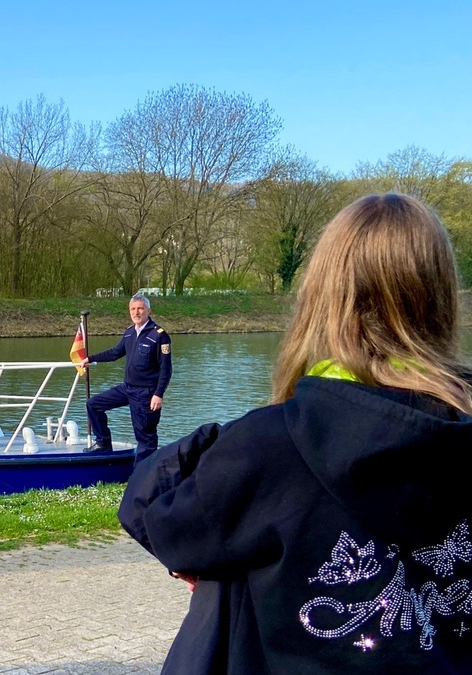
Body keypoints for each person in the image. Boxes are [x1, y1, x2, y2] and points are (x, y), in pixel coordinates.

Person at [119, 193, 472, 674]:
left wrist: (216, 440)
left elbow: (154, 515)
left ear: (323, 295)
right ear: (441, 297)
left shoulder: (270, 446)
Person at [78, 293, 172, 459]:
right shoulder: (129, 333)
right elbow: (115, 353)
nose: (136, 312)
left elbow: (166, 369)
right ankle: (103, 443)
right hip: (127, 388)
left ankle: (142, 476)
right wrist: (90, 358)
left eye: (140, 308)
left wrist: (158, 394)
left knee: (145, 436)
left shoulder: (159, 335)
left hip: (147, 393)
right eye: (133, 309)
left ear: (148, 310)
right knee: (93, 404)